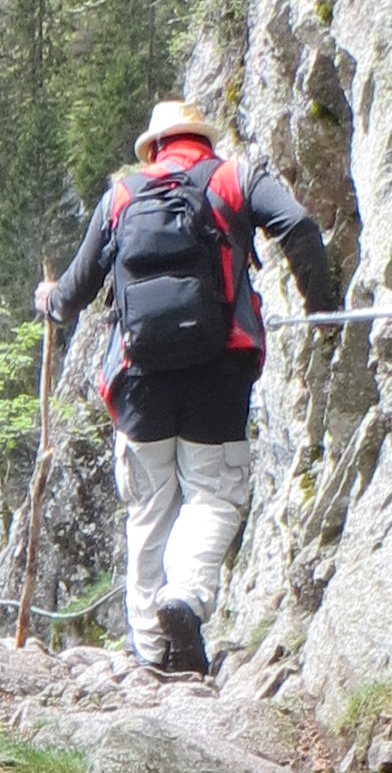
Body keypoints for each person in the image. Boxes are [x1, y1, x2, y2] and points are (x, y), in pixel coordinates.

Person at [36, 95, 338, 676]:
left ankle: (152, 654)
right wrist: (322, 310)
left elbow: (73, 294)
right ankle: (185, 597)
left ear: (153, 148)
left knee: (149, 511)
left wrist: (47, 301)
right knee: (213, 495)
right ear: (204, 139)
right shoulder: (234, 178)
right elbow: (298, 226)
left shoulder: (121, 197)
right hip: (217, 371)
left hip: (139, 381)